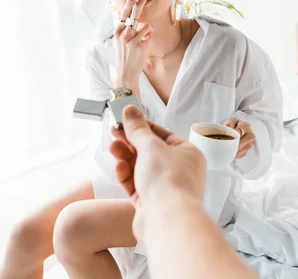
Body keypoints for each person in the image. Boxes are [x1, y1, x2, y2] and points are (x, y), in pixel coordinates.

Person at [0, 0, 282, 279]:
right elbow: (113, 152)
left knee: (74, 227)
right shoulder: (101, 58)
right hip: (127, 184)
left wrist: (250, 138)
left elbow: (265, 140)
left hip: (193, 194)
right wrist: (124, 83)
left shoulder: (230, 49)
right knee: (23, 237)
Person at [109, 104, 259, 279]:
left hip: (185, 192)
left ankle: (159, 214)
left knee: (73, 226)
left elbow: (264, 132)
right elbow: (108, 150)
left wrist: (166, 197)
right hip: (149, 183)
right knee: (70, 219)